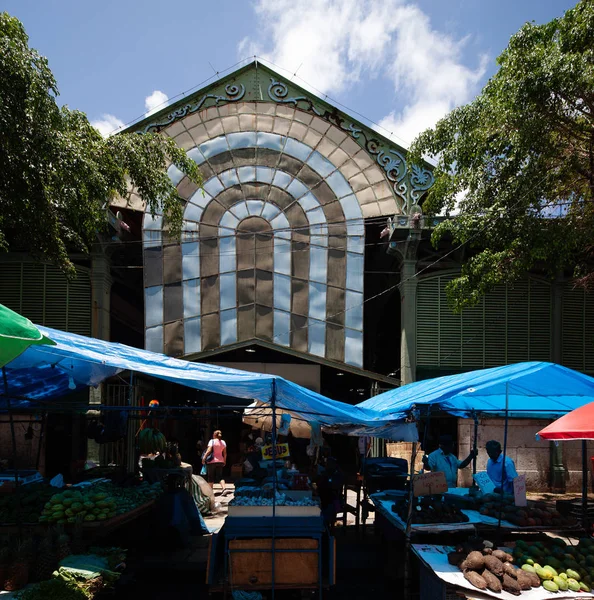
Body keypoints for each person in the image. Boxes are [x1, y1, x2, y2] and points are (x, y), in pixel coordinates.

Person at [316, 457, 344, 527]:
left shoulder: (337, 474)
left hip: (332, 500)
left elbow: (334, 487)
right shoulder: (328, 473)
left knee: (327, 506)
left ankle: (327, 525)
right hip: (326, 497)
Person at [202, 430, 227, 495]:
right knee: (220, 476)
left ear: (214, 435)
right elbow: (225, 453)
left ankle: (210, 492)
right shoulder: (223, 442)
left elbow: (209, 450)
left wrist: (204, 458)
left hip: (212, 461)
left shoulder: (212, 441)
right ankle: (224, 489)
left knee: (210, 477)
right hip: (220, 461)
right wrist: (224, 461)